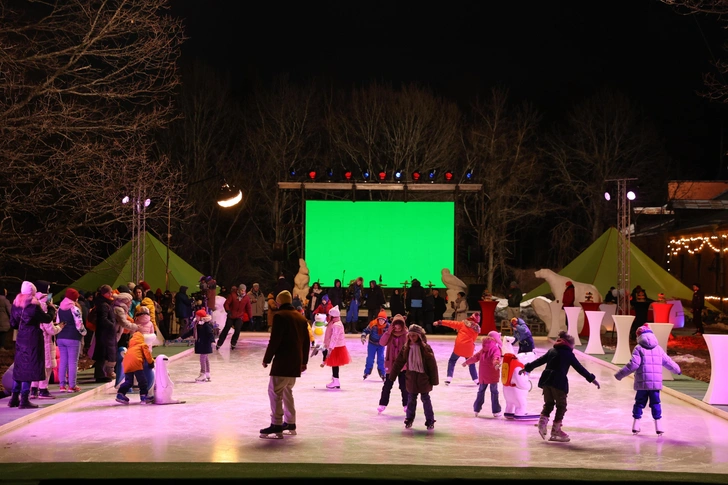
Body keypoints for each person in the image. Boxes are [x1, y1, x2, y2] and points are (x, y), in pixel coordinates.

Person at [522, 331, 601, 442]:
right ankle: (556, 430)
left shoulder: (552, 350)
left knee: (549, 403)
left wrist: (527, 368)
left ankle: (542, 424)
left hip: (546, 381)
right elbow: (580, 368)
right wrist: (592, 379)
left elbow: (539, 361)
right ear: (569, 344)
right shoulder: (568, 354)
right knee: (561, 405)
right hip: (558, 381)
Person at [259, 290, 310, 439]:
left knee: (275, 392)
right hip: (295, 363)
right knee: (287, 391)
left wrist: (267, 359)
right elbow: (306, 342)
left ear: (280, 302)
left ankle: (276, 424)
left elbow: (275, 340)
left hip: (283, 362)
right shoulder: (300, 318)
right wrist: (304, 361)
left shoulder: (280, 316)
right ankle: (290, 422)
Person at [614, 325, 682, 435]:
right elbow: (668, 362)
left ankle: (636, 425)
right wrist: (677, 370)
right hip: (655, 384)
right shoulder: (658, 348)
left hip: (642, 382)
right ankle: (658, 426)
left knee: (639, 403)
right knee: (656, 403)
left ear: (639, 336)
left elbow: (633, 365)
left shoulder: (638, 348)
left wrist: (619, 375)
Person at [8, 281, 53, 409]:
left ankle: (14, 398)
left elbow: (13, 324)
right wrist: (51, 309)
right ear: (33, 292)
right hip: (32, 338)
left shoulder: (16, 304)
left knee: (20, 367)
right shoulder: (33, 305)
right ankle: (24, 399)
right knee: (30, 367)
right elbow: (46, 319)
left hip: (21, 338)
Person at [389, 324, 439, 430]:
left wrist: (434, 380)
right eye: (410, 335)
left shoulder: (426, 348)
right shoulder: (406, 348)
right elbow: (398, 362)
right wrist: (392, 375)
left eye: (414, 336)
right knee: (411, 399)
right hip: (411, 377)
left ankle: (430, 420)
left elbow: (432, 365)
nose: (412, 338)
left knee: (425, 399)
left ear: (419, 336)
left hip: (423, 378)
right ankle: (409, 418)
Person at [464, 331, 503, 418]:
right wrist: (496, 364)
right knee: (494, 392)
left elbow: (475, 357)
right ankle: (496, 411)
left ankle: (476, 409)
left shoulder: (483, 348)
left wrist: (467, 362)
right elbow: (496, 357)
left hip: (483, 375)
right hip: (493, 373)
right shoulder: (495, 348)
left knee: (481, 391)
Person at [434, 313, 480, 385]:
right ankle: (476, 380)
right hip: (469, 348)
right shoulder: (477, 329)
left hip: (459, 346)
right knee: (471, 363)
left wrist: (440, 322)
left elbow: (451, 323)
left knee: (452, 361)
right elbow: (473, 339)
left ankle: (449, 378)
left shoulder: (463, 324)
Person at [56, 288, 87, 393]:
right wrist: (84, 333)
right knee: (73, 362)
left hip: (61, 337)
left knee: (63, 361)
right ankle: (72, 385)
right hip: (73, 337)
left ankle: (62, 385)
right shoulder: (74, 309)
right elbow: (79, 325)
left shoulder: (60, 308)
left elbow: (58, 322)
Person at [377, 314, 409, 414]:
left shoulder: (406, 334)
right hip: (391, 365)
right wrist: (388, 332)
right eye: (396, 324)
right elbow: (382, 343)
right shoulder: (389, 333)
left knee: (404, 386)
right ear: (393, 325)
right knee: (387, 385)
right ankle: (382, 404)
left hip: (403, 365)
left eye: (400, 324)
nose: (398, 327)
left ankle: (406, 404)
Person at [115, 329, 155, 404]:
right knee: (142, 381)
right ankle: (144, 396)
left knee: (129, 382)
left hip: (126, 364)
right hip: (136, 364)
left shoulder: (130, 347)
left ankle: (120, 394)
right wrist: (151, 362)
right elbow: (147, 355)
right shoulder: (142, 345)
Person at [92, 285, 117, 383]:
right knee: (102, 354)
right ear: (105, 293)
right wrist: (112, 326)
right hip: (104, 334)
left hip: (104, 333)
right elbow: (103, 319)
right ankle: (100, 375)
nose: (112, 294)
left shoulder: (104, 303)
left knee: (103, 354)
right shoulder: (103, 305)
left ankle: (101, 374)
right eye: (110, 292)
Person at [322, 305, 350, 389]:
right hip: (335, 346)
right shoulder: (334, 323)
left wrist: (330, 348)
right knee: (334, 364)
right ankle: (335, 379)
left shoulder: (336, 325)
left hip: (336, 347)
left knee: (334, 364)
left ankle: (336, 380)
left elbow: (334, 338)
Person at [218, 284, 252, 350]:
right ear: (239, 290)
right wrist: (228, 311)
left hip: (239, 316)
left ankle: (233, 343)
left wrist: (250, 317)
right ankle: (219, 343)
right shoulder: (232, 295)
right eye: (242, 290)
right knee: (226, 329)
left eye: (244, 290)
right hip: (231, 315)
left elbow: (248, 308)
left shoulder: (246, 298)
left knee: (238, 329)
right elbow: (226, 304)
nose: (243, 292)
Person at [361, 310, 388, 381]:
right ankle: (367, 372)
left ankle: (382, 373)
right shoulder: (373, 324)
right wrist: (363, 336)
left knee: (381, 359)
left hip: (381, 345)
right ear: (378, 319)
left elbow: (392, 334)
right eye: (380, 319)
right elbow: (365, 331)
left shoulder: (388, 326)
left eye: (383, 320)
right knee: (370, 358)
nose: (381, 321)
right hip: (372, 344)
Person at [188, 309, 214, 382]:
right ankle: (207, 373)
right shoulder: (198, 324)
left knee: (203, 359)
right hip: (202, 344)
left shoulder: (206, 325)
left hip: (205, 344)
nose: (196, 317)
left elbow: (210, 333)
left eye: (197, 315)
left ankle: (203, 374)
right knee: (205, 359)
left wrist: (212, 341)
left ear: (201, 317)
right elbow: (191, 332)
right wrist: (182, 337)